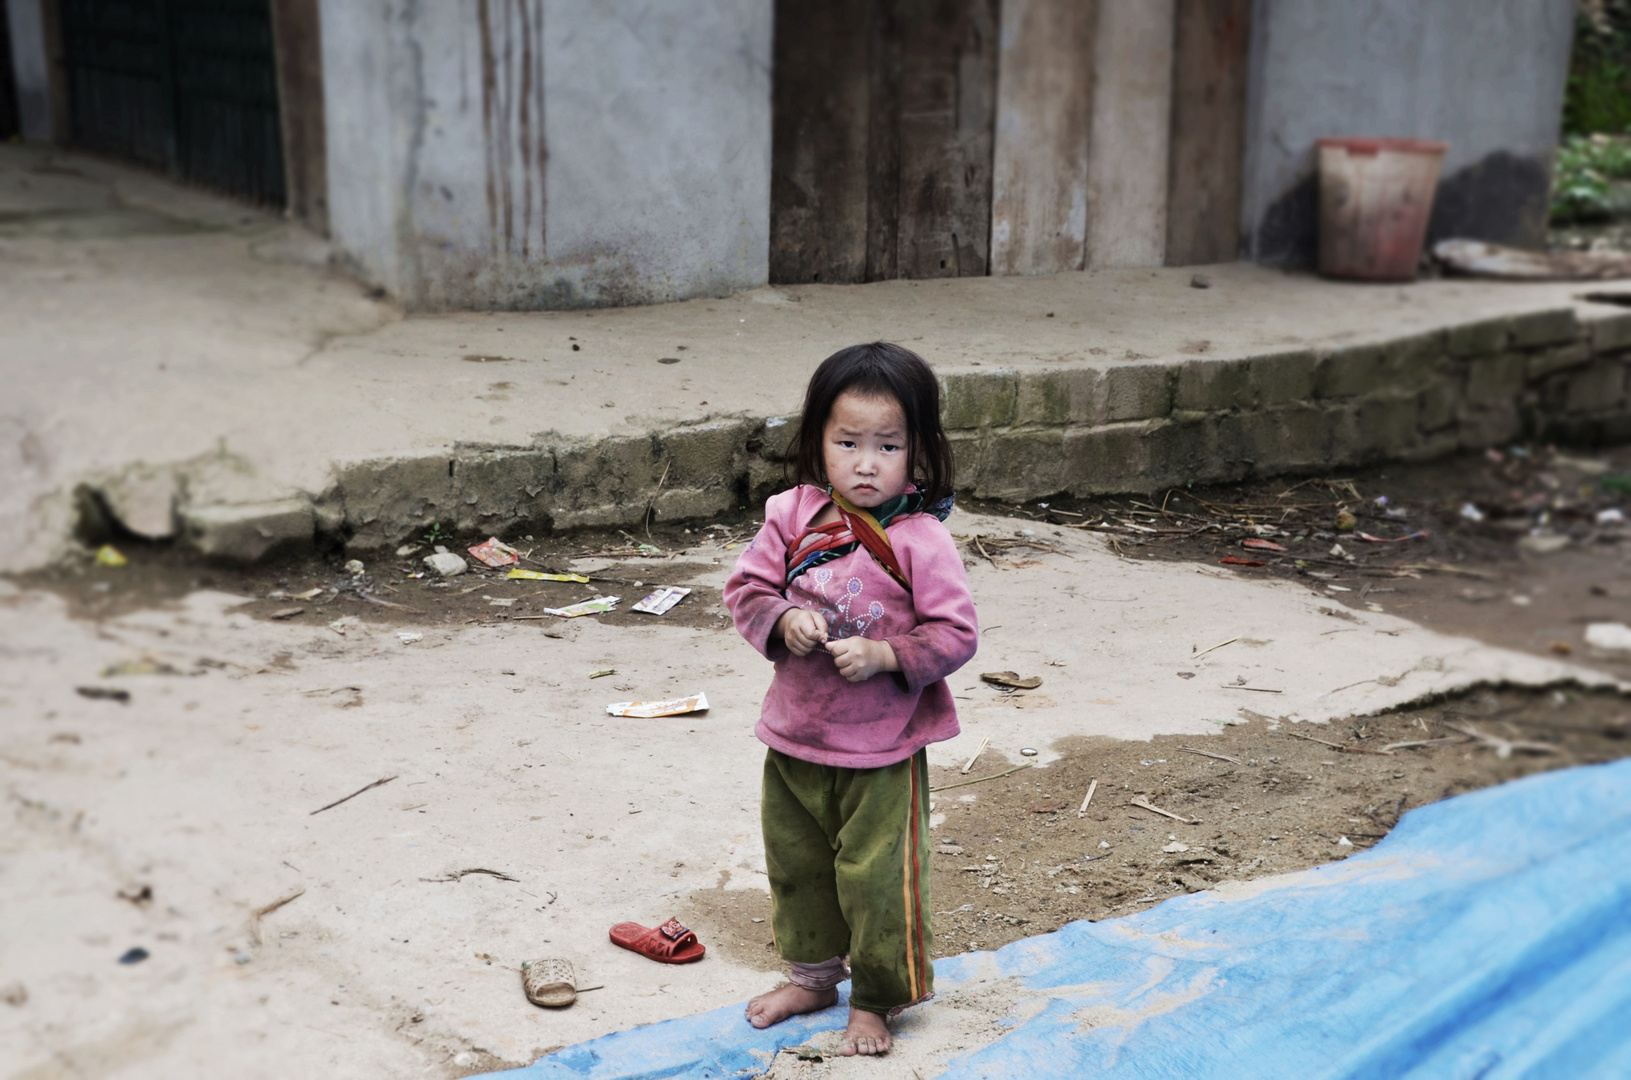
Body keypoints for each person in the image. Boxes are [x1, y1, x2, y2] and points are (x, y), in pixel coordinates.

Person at [724, 342, 978, 1056]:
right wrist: (780, 618)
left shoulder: (920, 539)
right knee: (798, 869)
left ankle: (874, 1000)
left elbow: (955, 633)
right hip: (794, 735)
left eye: (887, 445)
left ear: (919, 451)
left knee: (876, 882)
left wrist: (889, 655)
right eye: (847, 443)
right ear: (817, 442)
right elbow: (745, 590)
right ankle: (811, 977)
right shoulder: (792, 514)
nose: (865, 463)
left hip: (882, 748)